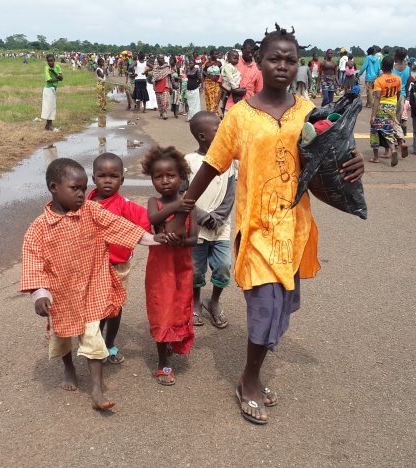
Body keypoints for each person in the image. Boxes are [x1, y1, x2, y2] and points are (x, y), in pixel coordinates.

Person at [170, 24, 365, 425]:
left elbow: (333, 158)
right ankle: (249, 380)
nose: (283, 66)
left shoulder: (308, 111)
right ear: (258, 61)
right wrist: (185, 205)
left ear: (298, 66)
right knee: (264, 306)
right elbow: (212, 164)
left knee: (280, 308)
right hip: (256, 228)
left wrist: (355, 166)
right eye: (274, 58)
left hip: (294, 227)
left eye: (290, 60)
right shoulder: (239, 116)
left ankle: (252, 374)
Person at [20, 158, 165, 410]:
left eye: (83, 188)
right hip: (60, 294)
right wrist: (39, 294)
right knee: (62, 336)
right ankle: (69, 368)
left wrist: (153, 239)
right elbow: (33, 260)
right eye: (74, 188)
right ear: (54, 187)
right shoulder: (38, 228)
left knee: (92, 335)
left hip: (90, 287)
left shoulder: (92, 211)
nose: (81, 194)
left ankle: (97, 389)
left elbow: (119, 226)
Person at [87, 153, 152, 364]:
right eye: (102, 175)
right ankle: (94, 345)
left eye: (113, 176)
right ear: (93, 178)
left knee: (114, 308)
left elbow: (147, 220)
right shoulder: (84, 203)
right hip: (91, 267)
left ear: (122, 180)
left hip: (118, 266)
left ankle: (110, 344)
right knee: (95, 308)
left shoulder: (124, 205)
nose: (107, 180)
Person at [142, 146, 198, 386]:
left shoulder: (190, 205)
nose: (164, 181)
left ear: (181, 177)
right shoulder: (154, 202)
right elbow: (152, 220)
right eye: (158, 177)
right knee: (161, 310)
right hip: (159, 269)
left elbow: (194, 238)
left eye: (170, 175)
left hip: (181, 267)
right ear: (152, 179)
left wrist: (180, 241)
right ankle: (162, 362)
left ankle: (173, 342)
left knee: (179, 307)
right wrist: (175, 208)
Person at [184, 112, 236, 329]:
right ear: (202, 136)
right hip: (196, 226)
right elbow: (183, 194)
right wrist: (204, 216)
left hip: (220, 226)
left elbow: (230, 192)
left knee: (223, 266)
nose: (223, 132)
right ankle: (195, 302)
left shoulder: (230, 160)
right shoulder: (189, 161)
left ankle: (213, 301)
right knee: (195, 270)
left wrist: (219, 217)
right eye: (217, 130)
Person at [370, 55, 406, 166]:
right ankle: (393, 149)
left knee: (375, 131)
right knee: (388, 130)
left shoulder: (378, 80)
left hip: (381, 108)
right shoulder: (397, 78)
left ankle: (376, 157)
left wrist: (373, 115)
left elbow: (377, 98)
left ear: (382, 66)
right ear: (392, 66)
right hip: (392, 107)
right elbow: (398, 94)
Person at [227, 39, 264, 111]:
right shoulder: (234, 62)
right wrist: (234, 90)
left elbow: (259, 92)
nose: (250, 55)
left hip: (246, 109)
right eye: (248, 52)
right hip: (230, 107)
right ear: (242, 50)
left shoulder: (257, 68)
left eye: (252, 52)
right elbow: (222, 84)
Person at [41, 54, 63, 131]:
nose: (50, 62)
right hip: (48, 89)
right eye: (49, 61)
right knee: (49, 107)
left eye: (52, 61)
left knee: (52, 106)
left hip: (53, 88)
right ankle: (50, 125)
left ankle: (47, 125)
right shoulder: (46, 68)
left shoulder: (57, 67)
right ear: (47, 61)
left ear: (54, 60)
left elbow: (62, 77)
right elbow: (48, 80)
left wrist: (53, 71)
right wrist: (58, 79)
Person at [392, 48, 412, 120]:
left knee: (390, 116)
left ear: (396, 56)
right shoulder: (407, 69)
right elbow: (408, 84)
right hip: (402, 95)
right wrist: (406, 95)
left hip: (392, 94)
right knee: (398, 117)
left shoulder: (392, 68)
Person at [203, 50, 223, 115]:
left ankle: (214, 113)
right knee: (210, 99)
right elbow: (203, 73)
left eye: (217, 54)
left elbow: (222, 73)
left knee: (216, 98)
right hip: (208, 84)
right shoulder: (206, 64)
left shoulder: (219, 63)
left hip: (217, 84)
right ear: (211, 55)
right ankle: (211, 113)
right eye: (215, 54)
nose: (217, 55)